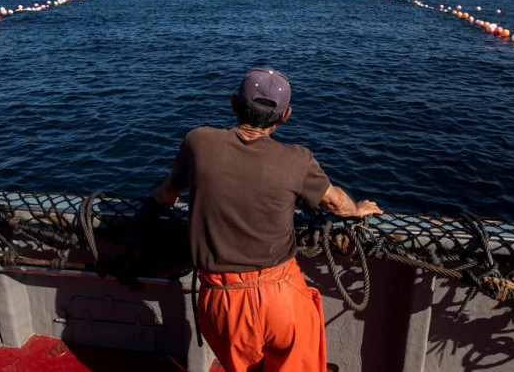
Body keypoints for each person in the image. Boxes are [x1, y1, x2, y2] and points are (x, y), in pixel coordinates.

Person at [151, 67, 382, 372]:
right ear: (285, 115)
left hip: (223, 300)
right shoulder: (298, 159)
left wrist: (152, 204)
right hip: (282, 297)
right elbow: (337, 203)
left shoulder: (198, 142)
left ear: (233, 103)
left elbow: (168, 194)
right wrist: (357, 209)